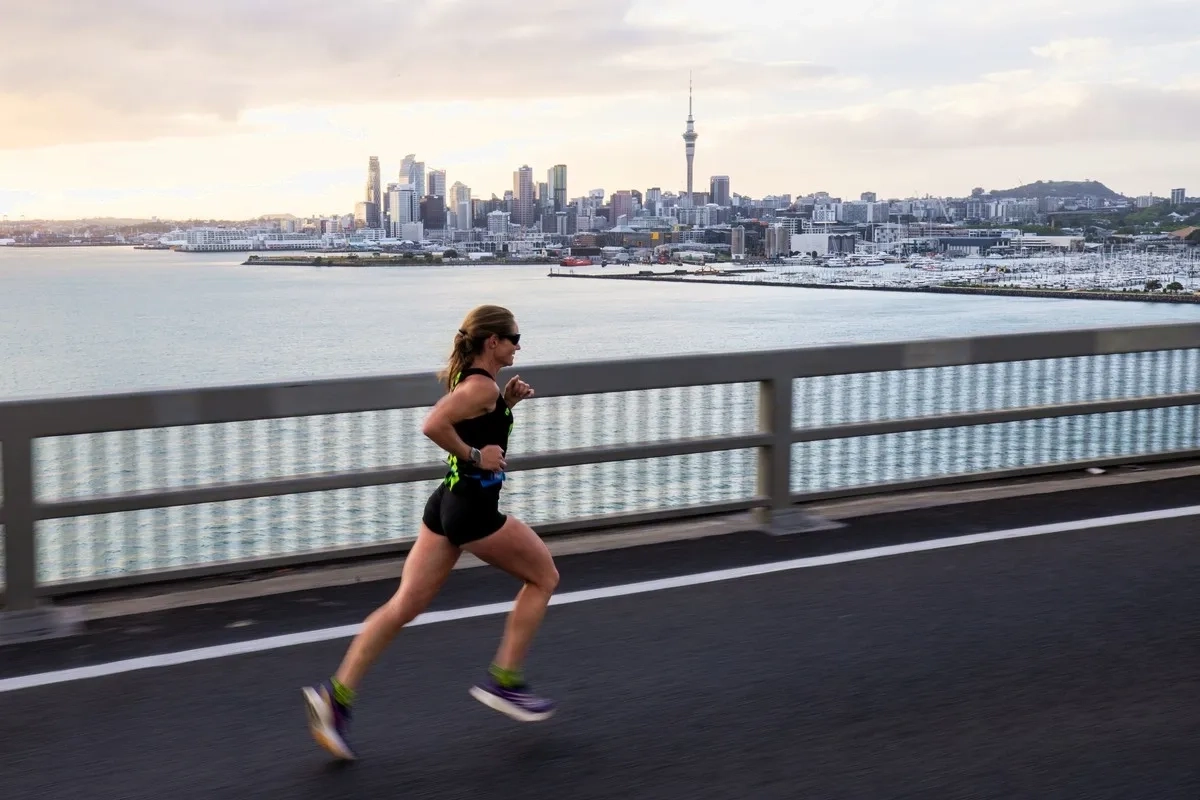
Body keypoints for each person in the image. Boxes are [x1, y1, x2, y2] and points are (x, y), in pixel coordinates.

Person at [303, 304, 560, 761]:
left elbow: (475, 421)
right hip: (474, 512)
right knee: (544, 578)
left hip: (446, 506)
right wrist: (474, 455)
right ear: (492, 343)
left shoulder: (484, 388)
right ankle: (505, 680)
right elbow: (434, 424)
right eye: (514, 337)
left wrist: (507, 405)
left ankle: (336, 698)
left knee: (404, 605)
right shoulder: (480, 386)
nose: (520, 344)